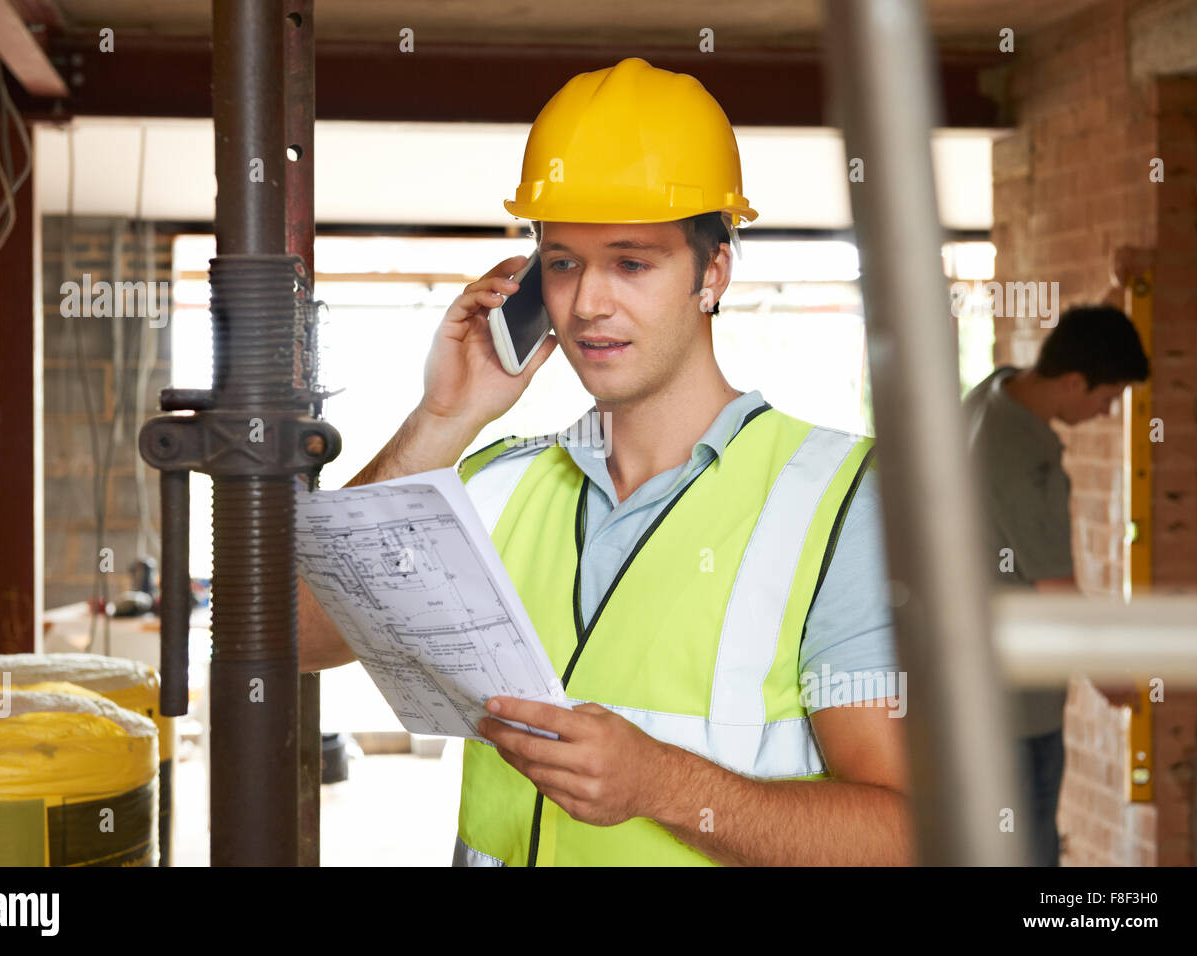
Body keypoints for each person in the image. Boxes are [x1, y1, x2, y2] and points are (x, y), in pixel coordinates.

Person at [299, 57, 911, 866]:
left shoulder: (839, 502)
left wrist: (662, 785)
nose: (587, 303)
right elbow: (287, 636)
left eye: (631, 262)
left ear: (713, 272)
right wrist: (444, 418)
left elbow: (904, 834)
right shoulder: (498, 485)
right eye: (563, 263)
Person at [963, 304, 1150, 865]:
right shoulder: (1025, 460)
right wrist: (1112, 677)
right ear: (1073, 381)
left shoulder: (989, 395)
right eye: (1108, 396)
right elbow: (1057, 590)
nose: (1106, 411)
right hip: (1017, 708)